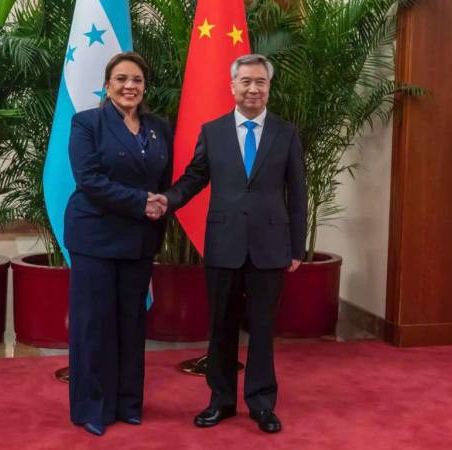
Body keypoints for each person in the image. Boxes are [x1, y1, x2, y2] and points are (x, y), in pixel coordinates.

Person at [149, 54, 307, 434]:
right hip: (224, 244)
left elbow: (299, 193)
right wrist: (167, 200)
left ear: (269, 88)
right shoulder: (214, 131)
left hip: (271, 246)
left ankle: (262, 403)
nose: (254, 89)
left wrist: (297, 247)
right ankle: (220, 401)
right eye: (246, 82)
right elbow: (194, 177)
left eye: (261, 82)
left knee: (263, 329)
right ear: (232, 86)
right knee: (221, 326)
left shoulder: (286, 133)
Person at [64, 52, 172, 436]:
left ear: (145, 87)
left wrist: (164, 201)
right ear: (107, 85)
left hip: (139, 240)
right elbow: (89, 179)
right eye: (122, 79)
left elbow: (165, 178)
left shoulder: (159, 126)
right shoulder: (86, 123)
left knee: (131, 322)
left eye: (138, 80)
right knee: (93, 324)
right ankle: (92, 407)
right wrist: (142, 201)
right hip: (94, 236)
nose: (130, 86)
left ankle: (128, 403)